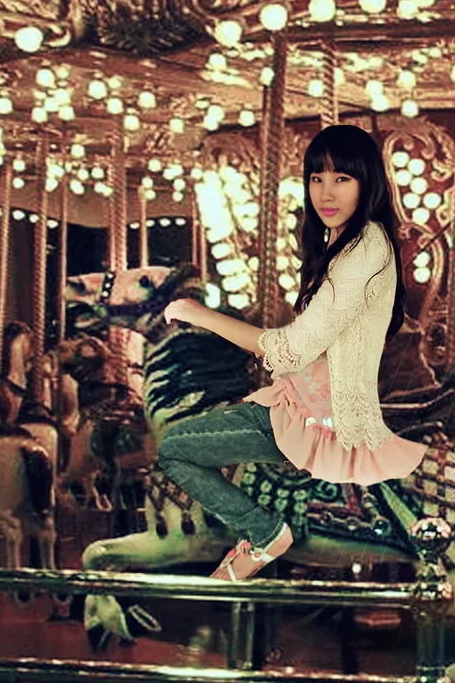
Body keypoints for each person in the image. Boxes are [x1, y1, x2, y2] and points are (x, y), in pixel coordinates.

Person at [159, 124, 427, 581]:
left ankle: (264, 533)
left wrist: (200, 315)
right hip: (295, 401)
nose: (326, 192)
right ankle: (259, 533)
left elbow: (289, 350)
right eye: (316, 178)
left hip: (315, 417)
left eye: (341, 179)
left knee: (175, 450)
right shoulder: (344, 244)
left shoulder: (365, 248)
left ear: (367, 183)